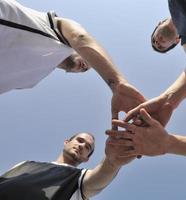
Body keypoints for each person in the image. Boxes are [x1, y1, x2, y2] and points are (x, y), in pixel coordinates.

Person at [0, 0, 145, 122]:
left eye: (84, 70)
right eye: (88, 61)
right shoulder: (52, 27)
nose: (84, 67)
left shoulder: (31, 80)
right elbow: (79, 37)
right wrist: (118, 84)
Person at [0, 132, 135, 199]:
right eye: (80, 140)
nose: (82, 145)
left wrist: (113, 160)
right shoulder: (25, 164)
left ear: (87, 158)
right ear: (66, 142)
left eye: (87, 147)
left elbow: (100, 177)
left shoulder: (78, 179)